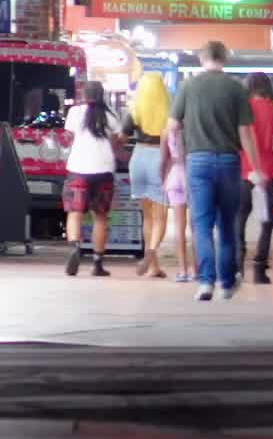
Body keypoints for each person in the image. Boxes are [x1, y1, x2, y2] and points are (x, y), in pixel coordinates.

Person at [168, 41, 267, 300]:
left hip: (197, 161)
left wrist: (178, 155)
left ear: (201, 59)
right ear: (225, 58)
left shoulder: (188, 86)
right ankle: (226, 283)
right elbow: (245, 132)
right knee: (226, 225)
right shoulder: (236, 88)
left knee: (201, 225)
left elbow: (172, 126)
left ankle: (205, 283)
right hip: (228, 161)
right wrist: (256, 168)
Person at [62, 82, 121, 278]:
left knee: (75, 212)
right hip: (104, 169)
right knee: (100, 217)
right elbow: (116, 142)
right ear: (102, 95)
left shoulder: (75, 112)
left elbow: (68, 137)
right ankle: (97, 263)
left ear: (83, 94)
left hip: (79, 168)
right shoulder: (111, 115)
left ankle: (75, 247)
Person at [235, 73, 273, 285]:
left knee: (240, 217)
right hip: (267, 171)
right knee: (265, 220)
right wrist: (270, 146)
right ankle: (259, 269)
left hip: (243, 169)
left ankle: (237, 265)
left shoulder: (242, 107)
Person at [124, 72, 172, 279]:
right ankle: (151, 253)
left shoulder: (134, 109)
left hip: (138, 158)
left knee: (148, 217)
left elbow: (123, 134)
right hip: (159, 158)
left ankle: (153, 267)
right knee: (161, 217)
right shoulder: (170, 110)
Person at [160, 121, 194, 282]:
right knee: (196, 228)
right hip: (192, 177)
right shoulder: (193, 128)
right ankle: (197, 270)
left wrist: (163, 180)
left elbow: (163, 160)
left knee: (179, 228)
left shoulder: (166, 131)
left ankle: (182, 271)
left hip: (174, 177)